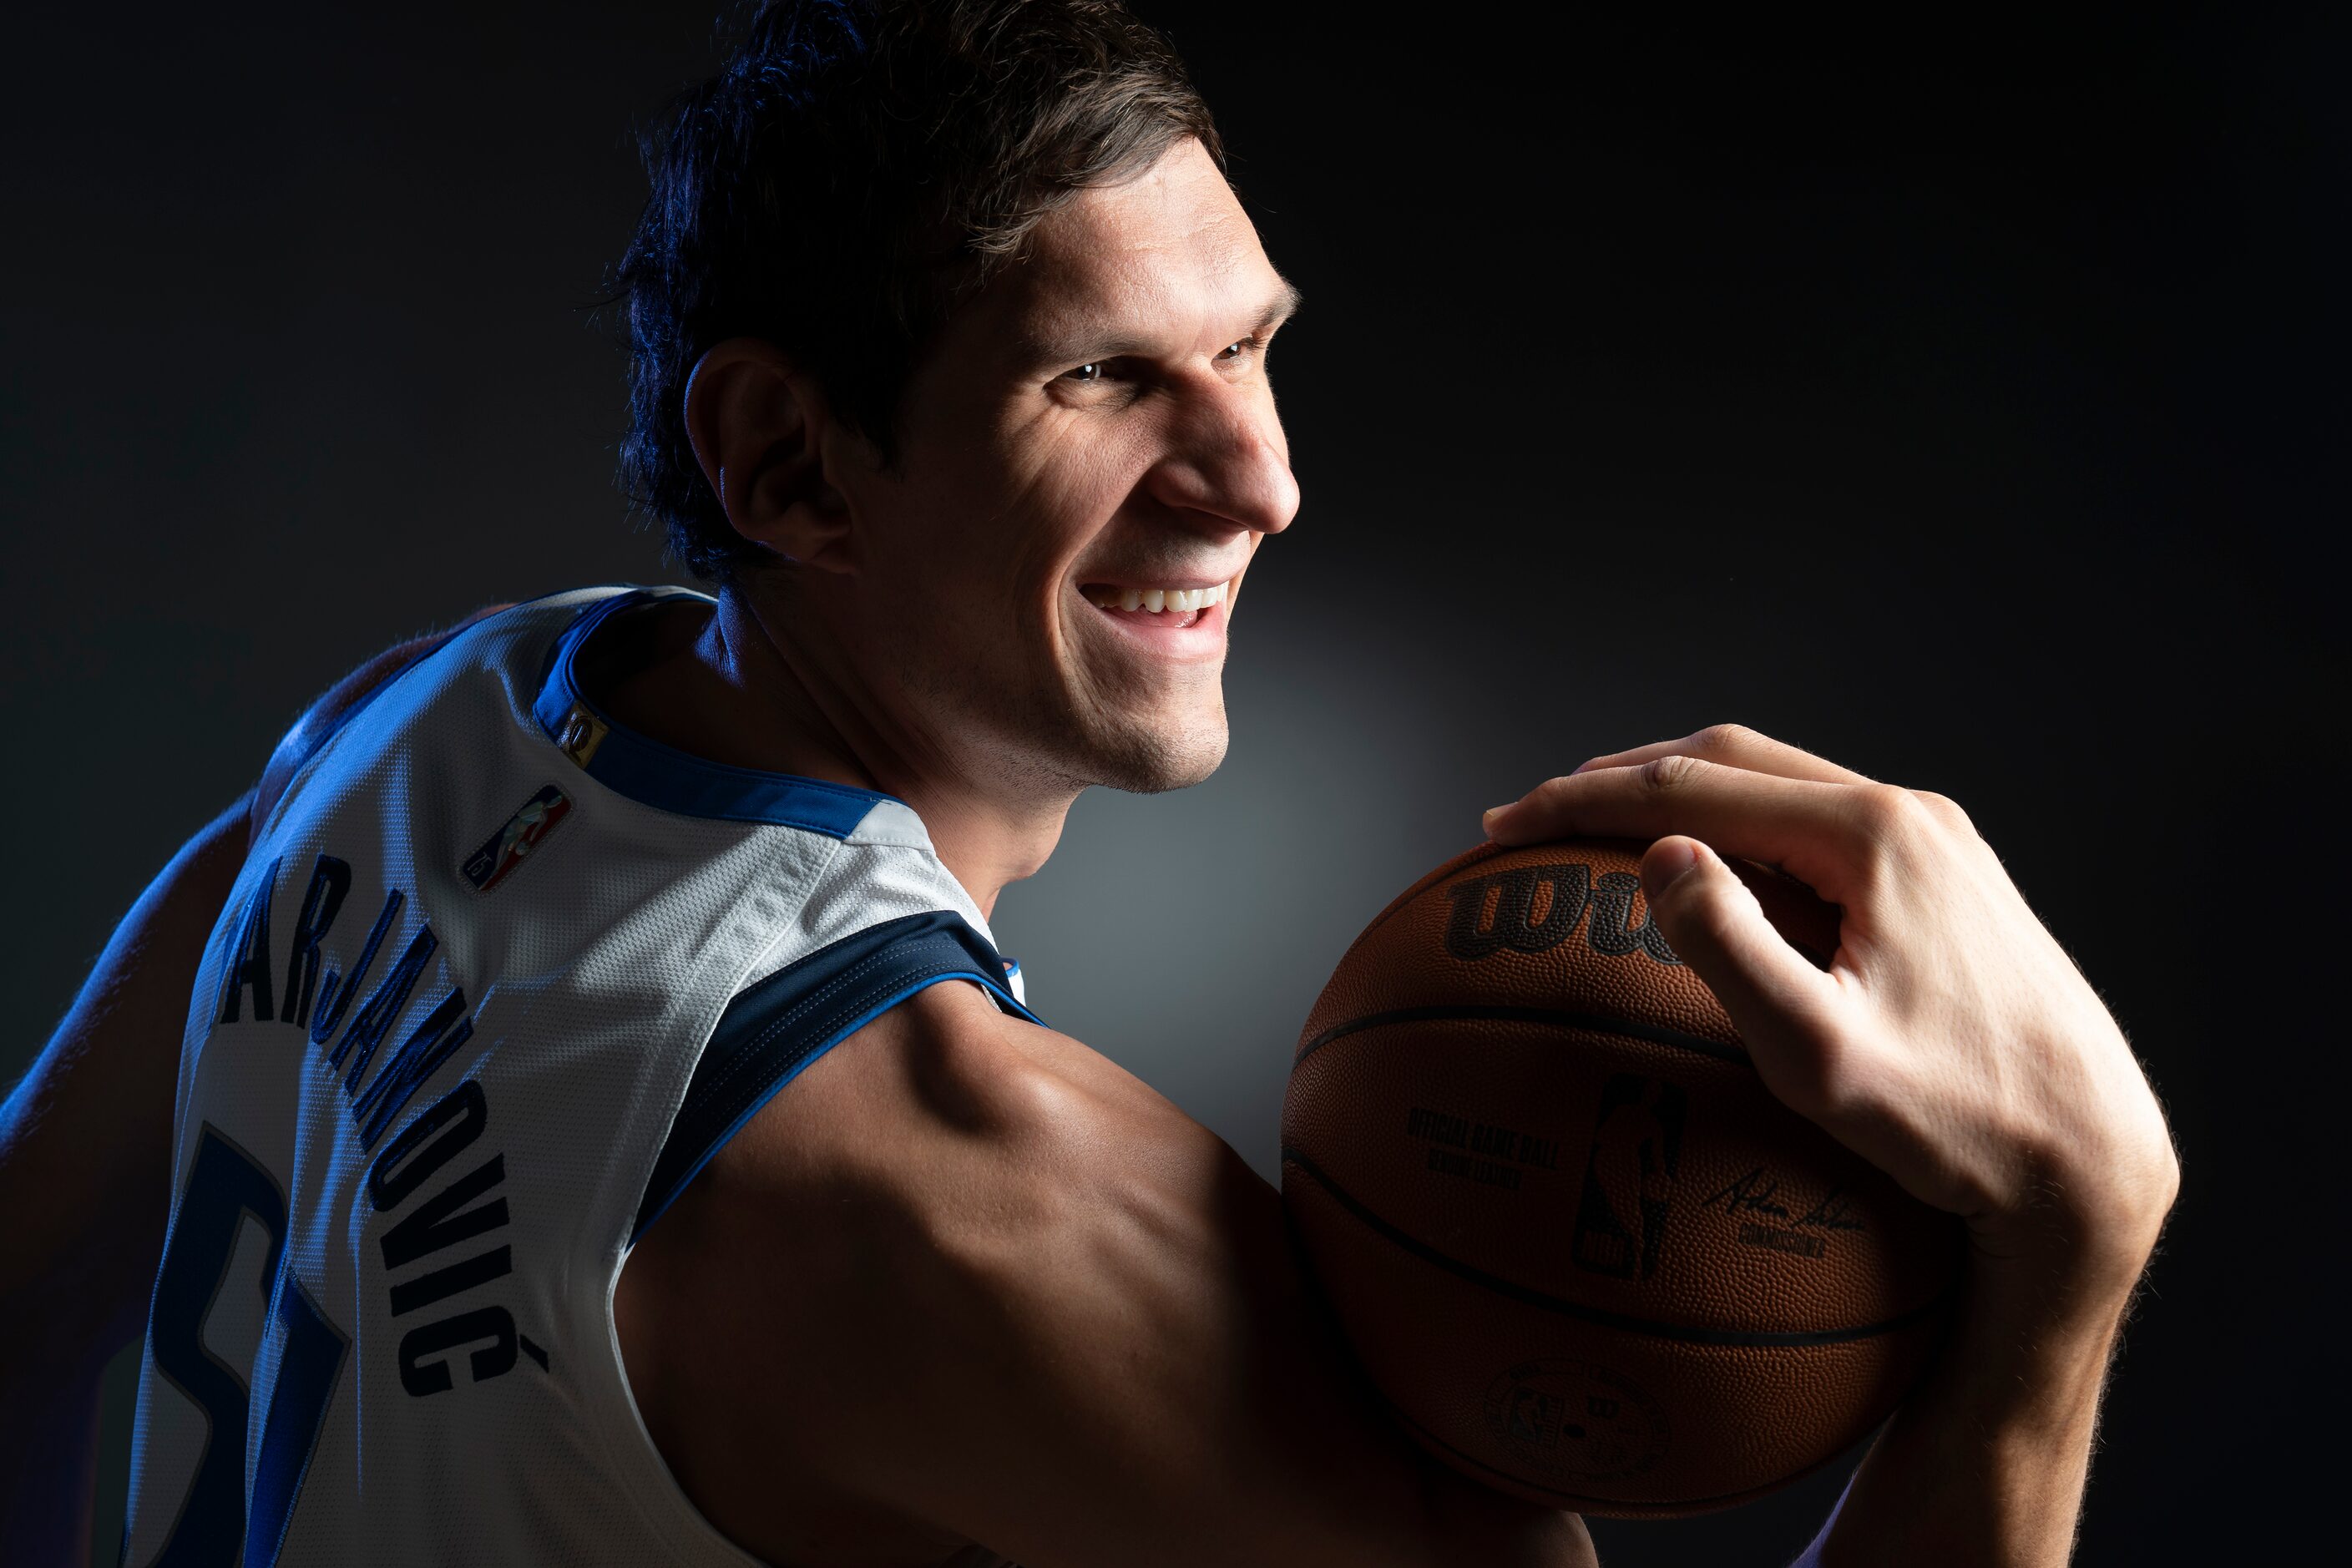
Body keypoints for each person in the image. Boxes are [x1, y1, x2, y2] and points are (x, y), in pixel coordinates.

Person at [0, 3, 2180, 1564]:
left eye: (1247, 348)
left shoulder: (417, 724)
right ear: (783, 460)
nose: (1260, 477)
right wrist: (2065, 1260)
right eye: (1104, 379)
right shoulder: (984, 1204)